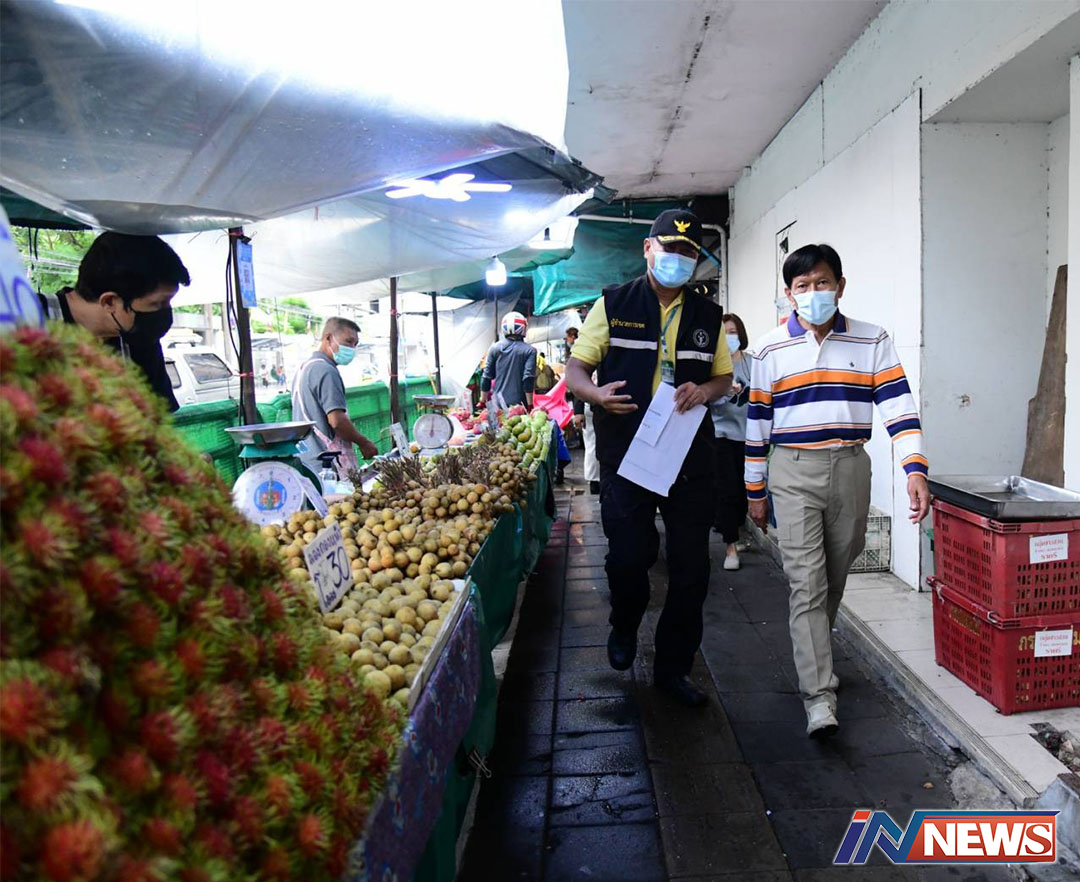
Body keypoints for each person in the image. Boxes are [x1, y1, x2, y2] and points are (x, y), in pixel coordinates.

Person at [745, 243, 931, 738]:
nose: (813, 292)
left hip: (851, 467)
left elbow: (899, 407)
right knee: (806, 583)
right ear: (790, 294)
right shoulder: (768, 349)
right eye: (802, 286)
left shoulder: (873, 340)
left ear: (840, 286)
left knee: (836, 570)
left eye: (822, 282)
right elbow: (757, 423)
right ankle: (818, 695)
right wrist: (754, 489)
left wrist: (915, 469)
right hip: (792, 470)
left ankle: (815, 651)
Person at [565, 208, 733, 708]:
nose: (677, 258)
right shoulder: (614, 305)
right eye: (669, 248)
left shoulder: (707, 315)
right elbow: (576, 370)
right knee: (629, 556)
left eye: (687, 252)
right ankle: (624, 622)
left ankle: (673, 668)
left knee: (691, 569)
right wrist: (595, 396)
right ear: (648, 249)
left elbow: (722, 377)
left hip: (688, 456)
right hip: (626, 454)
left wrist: (704, 391)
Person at [39, 233, 191, 411]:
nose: (164, 312)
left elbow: (156, 417)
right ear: (109, 302)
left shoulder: (139, 338)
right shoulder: (26, 320)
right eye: (157, 303)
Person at [292, 317, 379, 479]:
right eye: (348, 341)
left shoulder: (305, 368)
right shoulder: (326, 371)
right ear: (328, 338)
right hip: (326, 465)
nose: (352, 348)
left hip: (306, 460)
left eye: (355, 344)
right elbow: (336, 421)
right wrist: (363, 442)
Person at [711, 313, 753, 571]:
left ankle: (736, 532)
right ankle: (730, 548)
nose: (729, 337)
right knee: (727, 491)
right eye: (724, 333)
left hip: (748, 437)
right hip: (721, 436)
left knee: (744, 492)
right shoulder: (715, 367)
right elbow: (708, 401)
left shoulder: (753, 363)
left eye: (733, 332)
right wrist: (726, 392)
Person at [481, 311, 537, 409]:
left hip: (497, 404)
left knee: (495, 419)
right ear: (523, 328)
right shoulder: (530, 351)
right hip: (519, 406)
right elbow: (528, 379)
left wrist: (482, 401)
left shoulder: (494, 348)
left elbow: (486, 377)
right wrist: (530, 405)